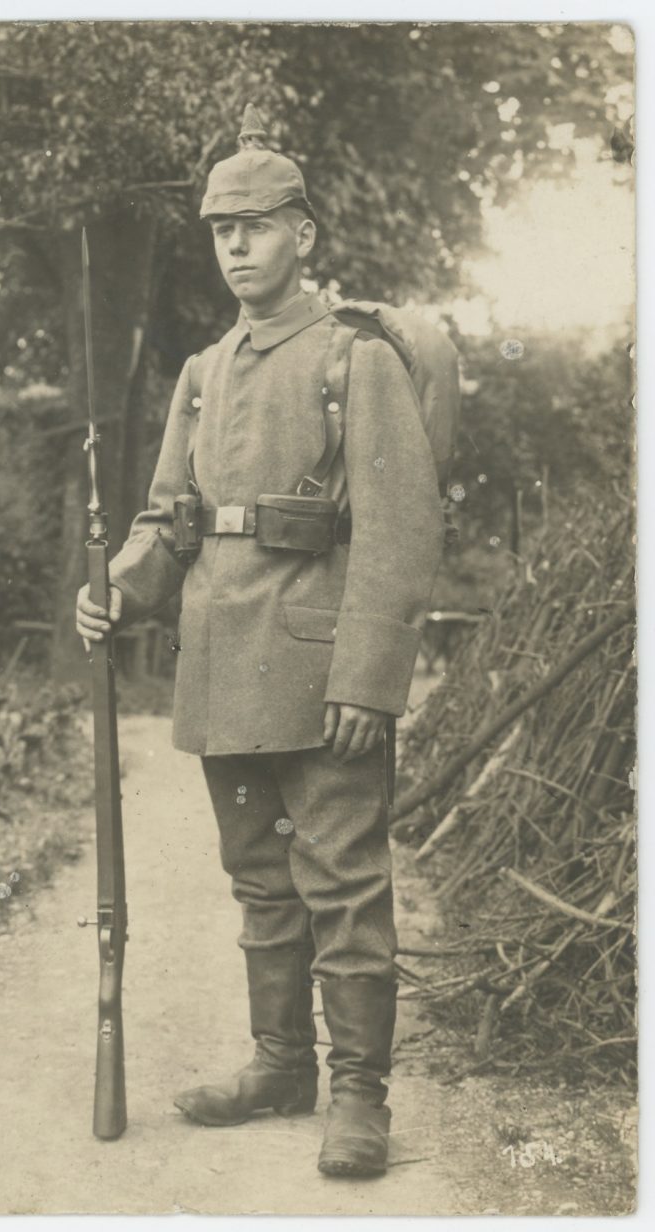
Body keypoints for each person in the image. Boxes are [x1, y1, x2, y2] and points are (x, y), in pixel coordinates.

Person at [76, 104, 444, 1178]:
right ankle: (281, 1062)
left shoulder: (351, 357)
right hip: (222, 657)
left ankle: (360, 1093)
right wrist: (115, 589)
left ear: (304, 235)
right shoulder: (203, 371)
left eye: (257, 225)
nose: (236, 245)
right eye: (220, 230)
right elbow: (165, 520)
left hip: (322, 664)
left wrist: (370, 675)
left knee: (341, 877)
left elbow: (397, 527)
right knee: (258, 878)